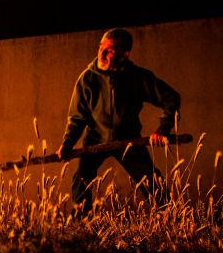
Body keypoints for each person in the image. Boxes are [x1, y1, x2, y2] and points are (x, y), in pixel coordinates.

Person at [60, 28, 180, 210]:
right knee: (81, 181)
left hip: (128, 139)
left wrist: (163, 129)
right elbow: (77, 117)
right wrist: (67, 144)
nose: (102, 52)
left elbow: (170, 98)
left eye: (110, 49)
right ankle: (80, 226)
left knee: (152, 181)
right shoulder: (87, 79)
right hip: (95, 140)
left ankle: (172, 218)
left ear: (125, 53)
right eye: (101, 47)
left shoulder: (137, 77)